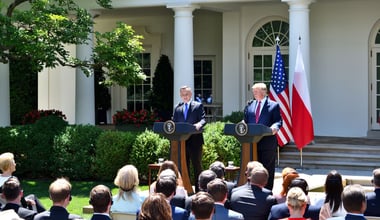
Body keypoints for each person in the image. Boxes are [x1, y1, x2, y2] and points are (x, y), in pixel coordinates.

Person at [243, 83, 282, 190]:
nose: (254, 93)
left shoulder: (273, 105)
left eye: (256, 91)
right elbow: (245, 120)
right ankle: (252, 189)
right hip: (252, 142)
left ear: (263, 91)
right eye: (253, 91)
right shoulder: (250, 104)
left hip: (267, 141)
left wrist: (274, 128)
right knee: (253, 168)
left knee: (267, 168)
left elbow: (278, 121)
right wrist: (241, 124)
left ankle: (267, 190)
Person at [172, 85, 206, 192]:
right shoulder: (177, 108)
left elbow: (203, 119)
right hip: (181, 142)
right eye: (182, 95)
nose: (184, 97)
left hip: (195, 141)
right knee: (183, 165)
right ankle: (184, 188)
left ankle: (199, 190)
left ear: (190, 94)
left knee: (197, 166)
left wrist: (199, 124)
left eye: (186, 94)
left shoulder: (197, 106)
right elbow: (174, 122)